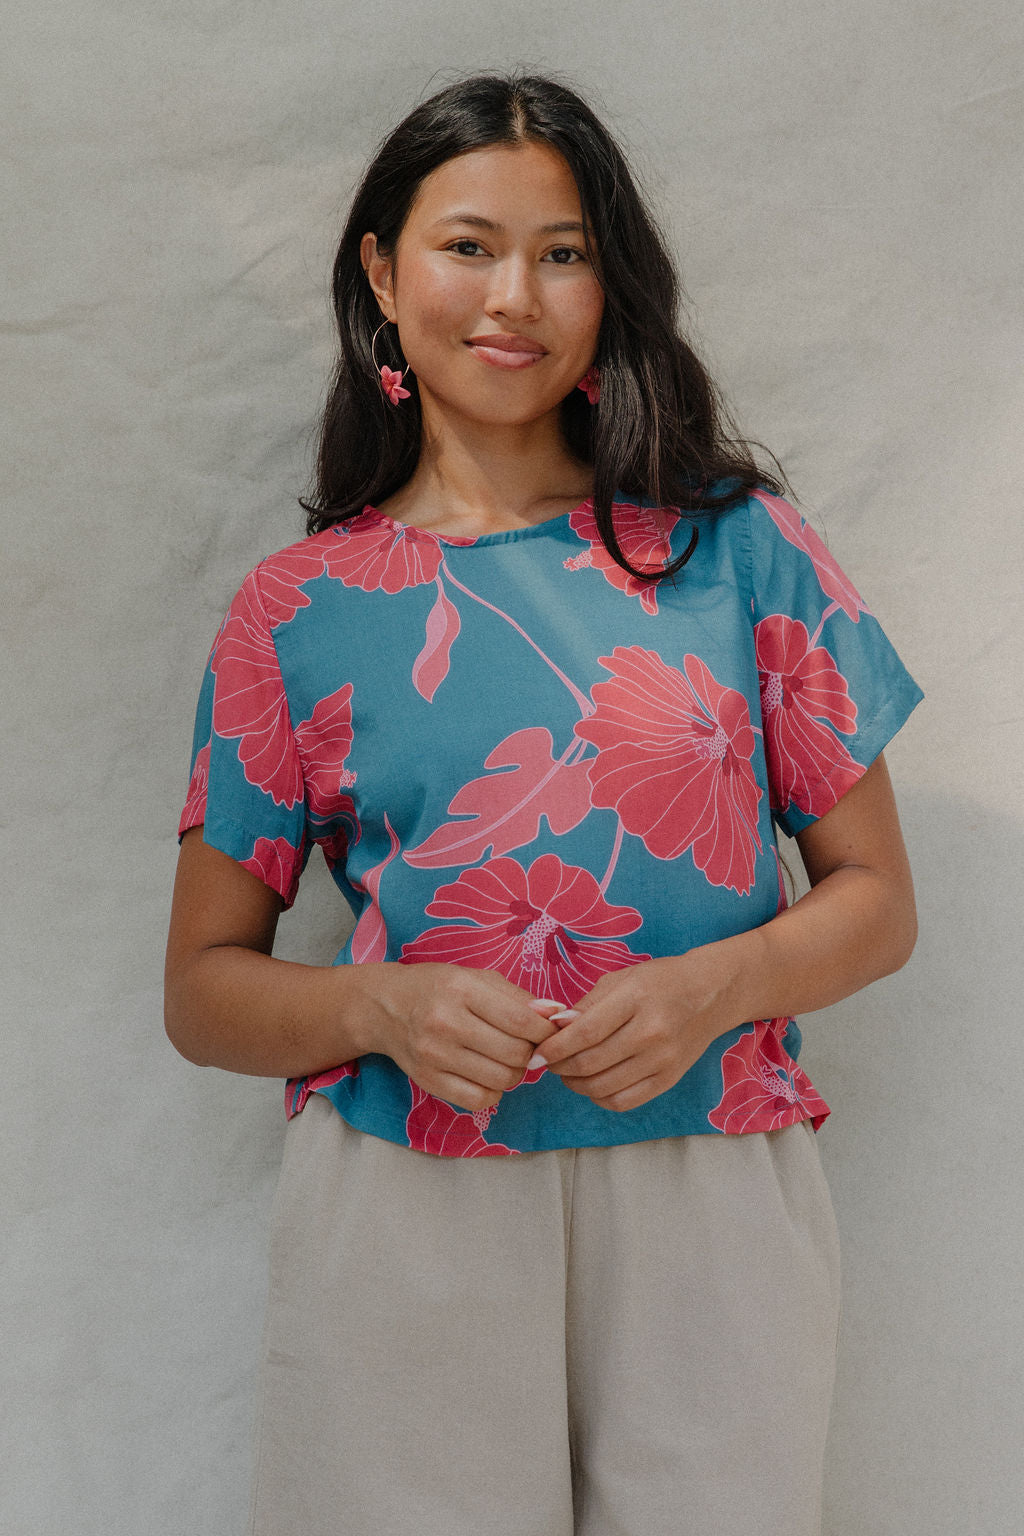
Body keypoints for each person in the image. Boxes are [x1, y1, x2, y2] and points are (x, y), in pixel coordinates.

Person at [164, 69, 922, 1536]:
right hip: (408, 1191)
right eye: (468, 245)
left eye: (563, 252)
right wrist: (378, 1009)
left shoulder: (740, 553)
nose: (515, 294)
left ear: (609, 285)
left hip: (713, 1176)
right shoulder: (294, 613)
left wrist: (718, 986)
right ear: (382, 272)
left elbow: (878, 900)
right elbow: (202, 992)